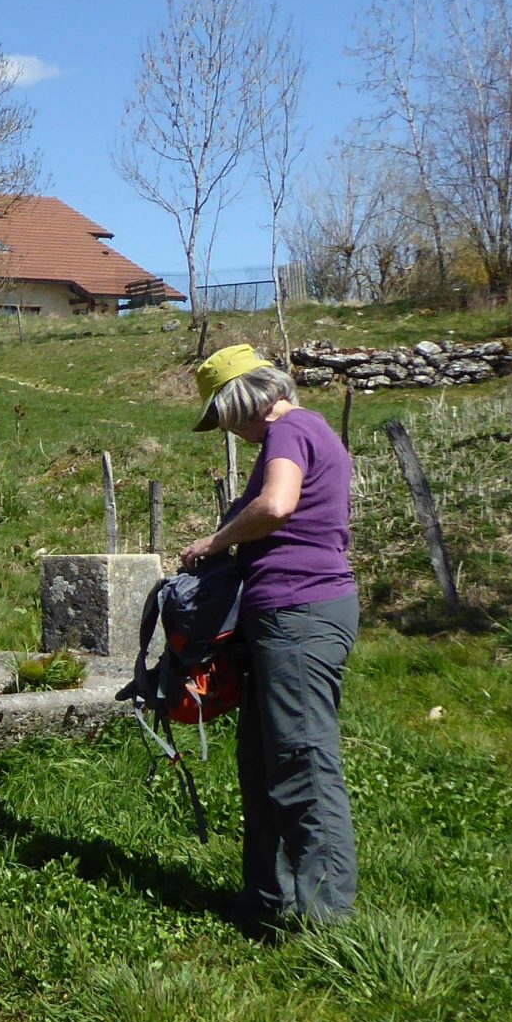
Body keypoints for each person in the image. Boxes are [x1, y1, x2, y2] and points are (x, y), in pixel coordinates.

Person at [179, 344, 360, 929]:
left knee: (302, 760)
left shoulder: (289, 429)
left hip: (299, 612)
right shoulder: (307, 431)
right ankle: (267, 901)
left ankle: (328, 922)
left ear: (241, 399)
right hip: (284, 613)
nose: (227, 430)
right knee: (262, 761)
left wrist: (215, 542)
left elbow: (278, 505)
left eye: (223, 416)